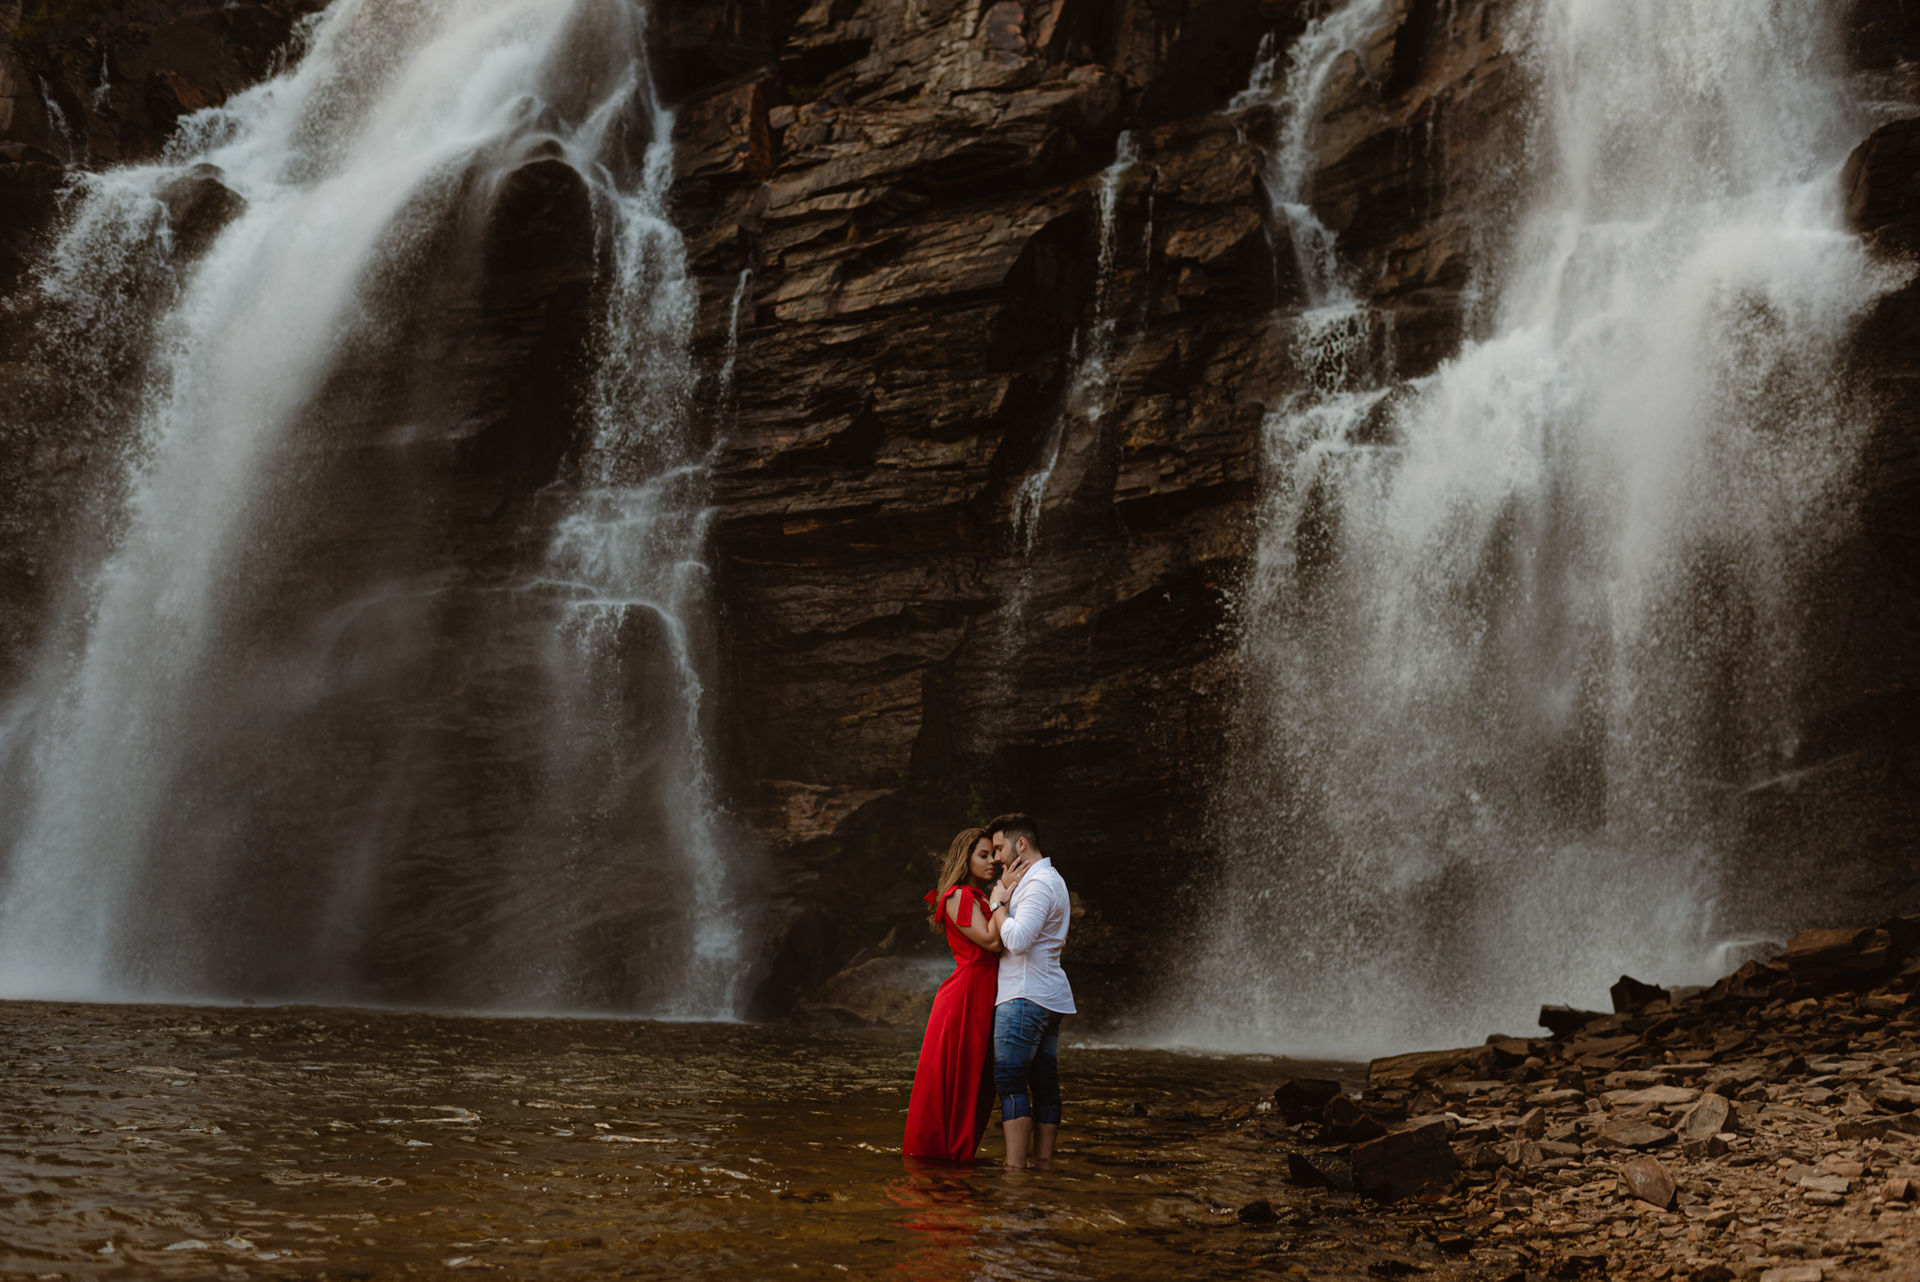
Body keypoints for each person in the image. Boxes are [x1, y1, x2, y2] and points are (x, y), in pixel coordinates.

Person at [902, 828, 1003, 1160]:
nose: (992, 861)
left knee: (978, 1078)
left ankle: (958, 1155)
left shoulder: (981, 897)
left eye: (993, 855)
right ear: (965, 858)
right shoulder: (958, 896)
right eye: (983, 855)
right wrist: (1002, 897)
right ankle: (940, 1155)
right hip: (966, 994)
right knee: (961, 1075)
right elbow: (991, 941)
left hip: (984, 991)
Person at [981, 812, 1073, 1170]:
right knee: (1044, 1082)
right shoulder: (1048, 879)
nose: (996, 858)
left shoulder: (1039, 883)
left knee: (1010, 1081)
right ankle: (1043, 1165)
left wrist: (997, 903)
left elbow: (1018, 940)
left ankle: (1015, 1171)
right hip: (1046, 996)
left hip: (1024, 995)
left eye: (999, 848)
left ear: (1021, 844)